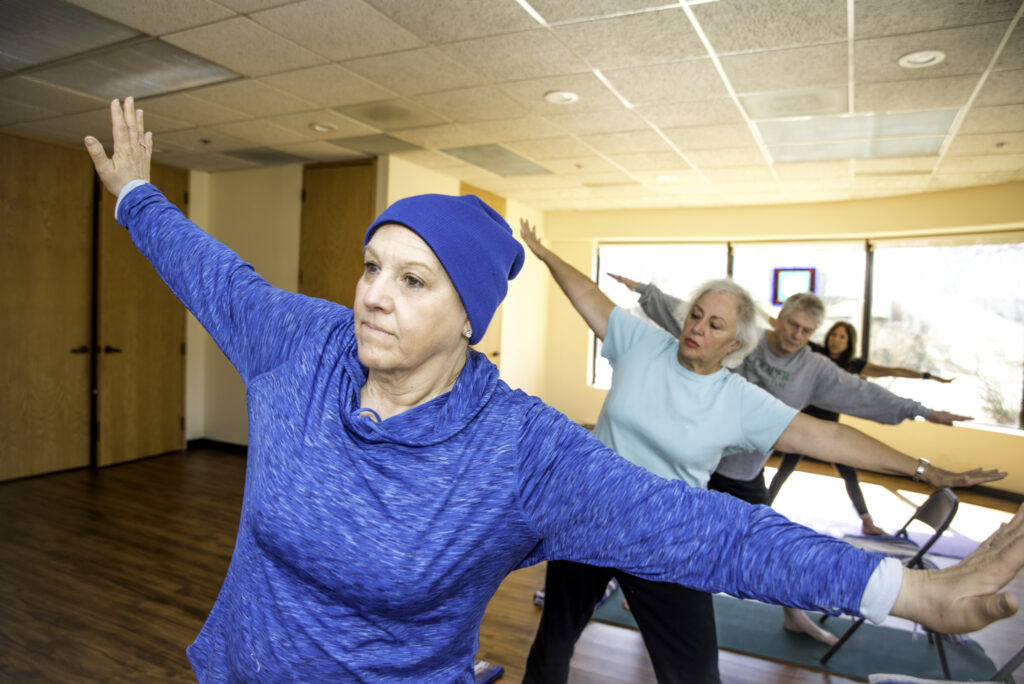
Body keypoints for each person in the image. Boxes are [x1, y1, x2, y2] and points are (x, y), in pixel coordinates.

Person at [84, 98, 1024, 684]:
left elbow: (709, 531)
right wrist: (135, 194)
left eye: (414, 280)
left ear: (469, 320)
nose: (372, 294)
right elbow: (216, 275)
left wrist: (913, 594)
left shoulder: (519, 453)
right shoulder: (304, 346)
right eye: (372, 265)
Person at [519, 237, 1004, 683]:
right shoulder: (642, 342)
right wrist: (544, 253)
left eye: (715, 325)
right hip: (588, 518)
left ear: (734, 345)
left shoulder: (739, 399)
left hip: (666, 538)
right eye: (695, 315)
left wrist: (922, 469)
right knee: (554, 641)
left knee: (692, 672)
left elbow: (828, 438)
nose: (697, 329)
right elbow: (587, 294)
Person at [613, 275, 975, 643]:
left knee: (772, 542)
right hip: (697, 459)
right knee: (675, 534)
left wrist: (922, 411)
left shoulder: (814, 370)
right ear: (779, 317)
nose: (796, 335)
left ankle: (793, 615)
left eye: (806, 330)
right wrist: (647, 292)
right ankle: (645, 595)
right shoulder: (744, 337)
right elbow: (689, 316)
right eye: (791, 325)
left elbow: (864, 394)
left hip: (742, 473)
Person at [768, 321, 956, 535]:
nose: (835, 340)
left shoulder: (853, 365)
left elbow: (891, 370)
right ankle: (762, 507)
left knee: (849, 475)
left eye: (842, 337)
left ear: (848, 342)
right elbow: (780, 326)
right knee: (784, 470)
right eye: (833, 335)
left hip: (830, 431)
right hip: (805, 426)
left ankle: (867, 522)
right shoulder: (813, 353)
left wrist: (927, 376)